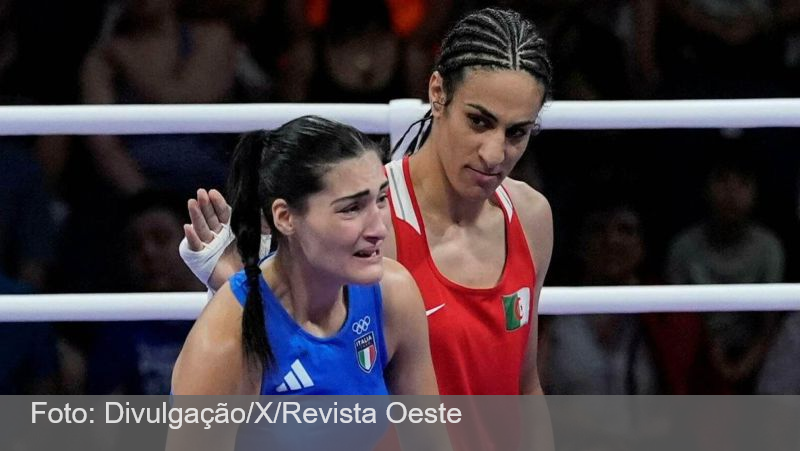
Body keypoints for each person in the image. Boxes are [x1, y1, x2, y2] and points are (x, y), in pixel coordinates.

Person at [183, 7, 553, 399]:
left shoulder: (531, 216)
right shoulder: (370, 222)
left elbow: (525, 384)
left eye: (517, 132)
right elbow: (308, 367)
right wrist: (233, 286)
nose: (495, 153)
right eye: (479, 121)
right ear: (438, 93)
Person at [172, 116, 437, 402]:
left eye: (381, 199)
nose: (379, 228)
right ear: (285, 218)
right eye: (351, 208)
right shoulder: (222, 343)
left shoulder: (393, 293)